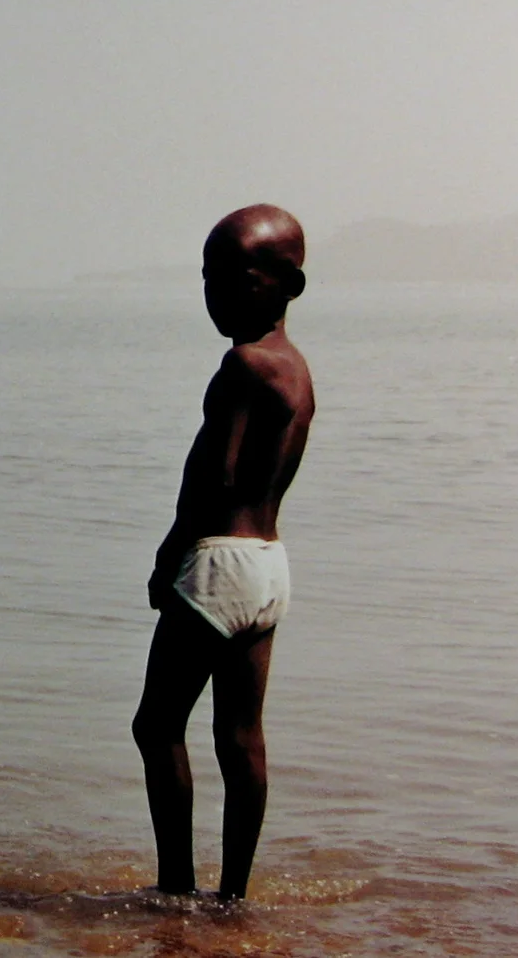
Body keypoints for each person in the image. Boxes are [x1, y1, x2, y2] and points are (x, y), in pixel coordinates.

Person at [130, 204, 316, 903]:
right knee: (240, 738)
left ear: (286, 285)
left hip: (218, 561)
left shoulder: (243, 365)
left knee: (156, 725)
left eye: (233, 277)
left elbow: (218, 476)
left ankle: (175, 888)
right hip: (268, 563)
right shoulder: (295, 368)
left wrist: (168, 556)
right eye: (207, 276)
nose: (215, 292)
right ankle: (234, 899)